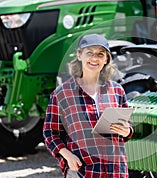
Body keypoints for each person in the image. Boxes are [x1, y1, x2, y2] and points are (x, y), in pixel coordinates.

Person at [43, 33, 134, 178]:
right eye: (89, 53)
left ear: (106, 59)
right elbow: (50, 134)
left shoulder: (116, 90)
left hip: (115, 170)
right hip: (82, 170)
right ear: (79, 55)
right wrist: (68, 156)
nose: (94, 58)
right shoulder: (62, 94)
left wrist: (126, 131)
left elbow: (128, 129)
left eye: (100, 54)